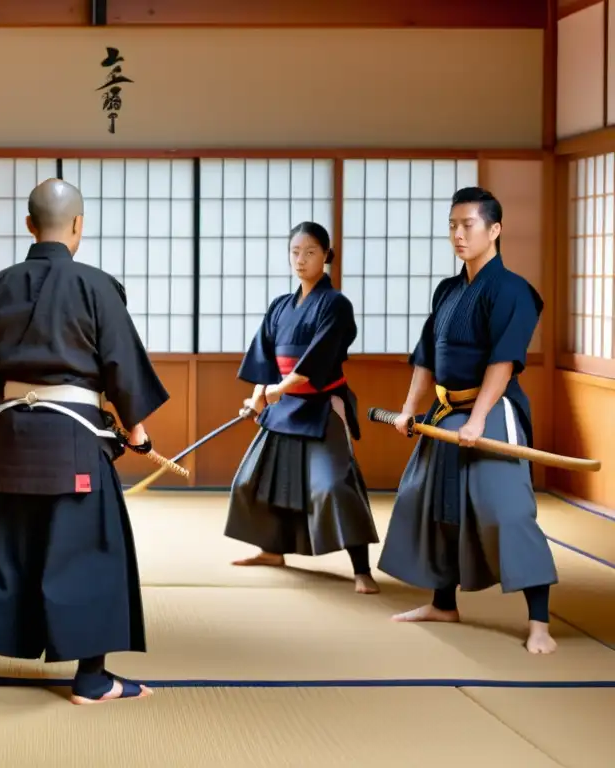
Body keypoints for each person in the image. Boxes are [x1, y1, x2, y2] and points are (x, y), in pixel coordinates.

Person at [0, 178, 169, 705]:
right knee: (92, 553)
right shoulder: (98, 286)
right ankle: (91, 679)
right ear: (78, 225)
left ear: (29, 225)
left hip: (12, 437)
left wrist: (17, 400)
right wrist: (137, 431)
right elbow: (120, 364)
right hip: (76, 442)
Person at [377, 186, 557, 655]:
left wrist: (478, 421)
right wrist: (410, 409)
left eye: (468, 225)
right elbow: (426, 356)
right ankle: (443, 602)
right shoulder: (448, 290)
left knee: (505, 511)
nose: (458, 234)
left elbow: (503, 361)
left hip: (491, 410)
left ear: (494, 230)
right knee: (431, 500)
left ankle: (539, 621)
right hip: (444, 412)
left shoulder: (512, 290)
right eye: (452, 225)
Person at [225, 222, 380, 594]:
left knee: (332, 486)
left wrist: (278, 389)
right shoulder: (280, 305)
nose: (301, 259)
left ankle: (362, 570)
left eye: (310, 252)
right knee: (254, 481)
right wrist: (259, 394)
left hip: (321, 405)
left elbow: (318, 359)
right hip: (282, 407)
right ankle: (272, 549)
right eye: (295, 251)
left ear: (326, 255)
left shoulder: (336, 304)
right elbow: (263, 358)